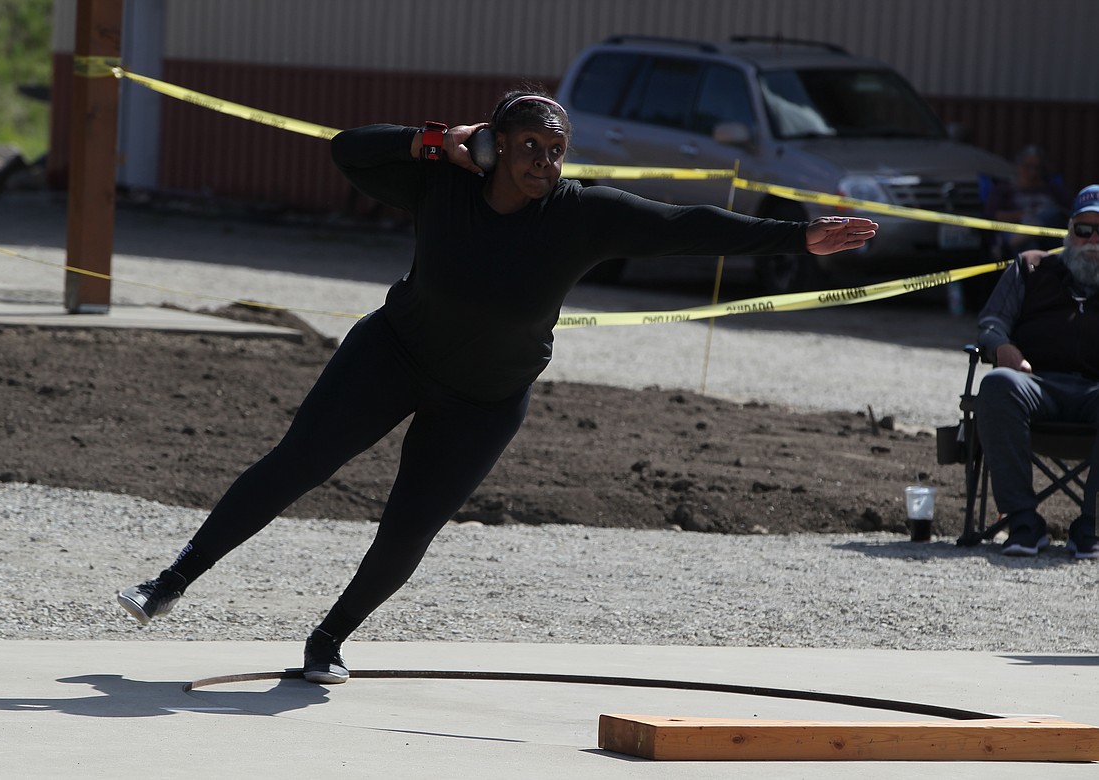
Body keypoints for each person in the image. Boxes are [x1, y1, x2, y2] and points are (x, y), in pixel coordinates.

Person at [116, 88, 877, 683]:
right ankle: (171, 581)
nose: (546, 162)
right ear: (494, 144)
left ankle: (328, 640)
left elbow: (688, 224)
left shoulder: (581, 215)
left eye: (557, 150)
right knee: (296, 466)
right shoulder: (440, 187)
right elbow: (348, 152)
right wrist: (432, 142)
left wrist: (794, 237)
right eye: (530, 147)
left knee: (408, 527)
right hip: (391, 355)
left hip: (483, 399)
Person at [975, 184, 1099, 558]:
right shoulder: (1030, 267)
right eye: (1084, 229)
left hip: (1094, 391)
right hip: (1036, 385)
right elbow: (991, 322)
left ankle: (1090, 525)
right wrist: (1002, 346)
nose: (1093, 239)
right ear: (1069, 230)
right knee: (998, 383)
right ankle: (1024, 522)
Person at [983, 145, 1072, 258]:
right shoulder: (1004, 189)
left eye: (1037, 168)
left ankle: (1023, 236)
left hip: (1048, 233)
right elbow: (992, 215)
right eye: (1027, 167)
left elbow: (1068, 212)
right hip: (1017, 228)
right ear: (1018, 166)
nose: (1033, 173)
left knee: (1052, 212)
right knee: (1029, 244)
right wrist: (1022, 215)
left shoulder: (1054, 190)